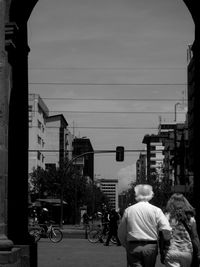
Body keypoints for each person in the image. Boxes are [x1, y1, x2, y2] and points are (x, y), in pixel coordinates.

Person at [118, 184, 171, 267]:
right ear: (150, 195)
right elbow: (166, 228)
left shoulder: (129, 210)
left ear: (136, 195)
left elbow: (121, 232)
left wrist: (126, 244)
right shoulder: (156, 210)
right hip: (151, 246)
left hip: (133, 245)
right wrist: (165, 244)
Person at [163, 193, 200, 267]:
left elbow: (163, 235)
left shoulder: (167, 216)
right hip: (187, 252)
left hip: (172, 251)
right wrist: (198, 252)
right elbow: (195, 237)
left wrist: (162, 251)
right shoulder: (190, 218)